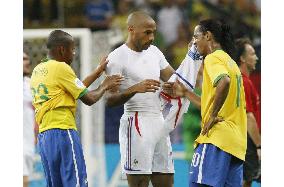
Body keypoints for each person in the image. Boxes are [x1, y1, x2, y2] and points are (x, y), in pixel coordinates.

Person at [30, 30, 123, 187]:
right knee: (76, 183)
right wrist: (104, 86)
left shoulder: (38, 70)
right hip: (63, 132)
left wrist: (97, 72)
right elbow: (89, 99)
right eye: (72, 49)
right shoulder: (61, 68)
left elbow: (76, 88)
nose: (73, 54)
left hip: (45, 138)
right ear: (62, 49)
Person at [166, 19, 247, 186]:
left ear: (208, 36)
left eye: (196, 37)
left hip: (217, 139)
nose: (193, 42)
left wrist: (212, 115)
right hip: (236, 144)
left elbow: (223, 82)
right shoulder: (230, 62)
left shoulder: (213, 58)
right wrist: (186, 92)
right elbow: (215, 100)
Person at [105, 11, 175, 187]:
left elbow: (173, 78)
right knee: (140, 182)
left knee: (166, 180)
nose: (151, 37)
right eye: (147, 32)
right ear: (131, 29)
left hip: (159, 121)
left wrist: (171, 86)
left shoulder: (155, 52)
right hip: (136, 121)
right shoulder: (117, 57)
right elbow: (110, 100)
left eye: (153, 32)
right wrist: (135, 89)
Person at [235, 38, 261, 187]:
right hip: (247, 141)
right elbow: (248, 116)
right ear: (242, 58)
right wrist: (259, 146)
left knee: (247, 179)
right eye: (252, 54)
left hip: (247, 140)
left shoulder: (244, 81)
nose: (256, 57)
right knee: (246, 178)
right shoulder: (243, 82)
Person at [23, 52, 37, 187]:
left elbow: (37, 110)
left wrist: (36, 133)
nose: (27, 62)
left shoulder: (31, 84)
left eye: (27, 58)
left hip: (28, 141)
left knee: (25, 180)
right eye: (22, 59)